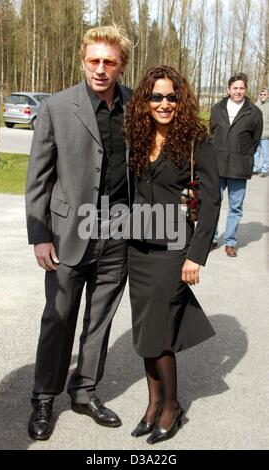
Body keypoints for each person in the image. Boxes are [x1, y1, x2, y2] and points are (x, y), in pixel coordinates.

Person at [25, 24, 132, 440]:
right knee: (58, 318)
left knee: (99, 321)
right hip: (68, 232)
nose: (100, 69)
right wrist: (39, 235)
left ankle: (84, 391)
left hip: (119, 232)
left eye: (109, 62)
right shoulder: (56, 106)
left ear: (121, 65)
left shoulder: (134, 104)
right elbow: (38, 178)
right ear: (83, 60)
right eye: (93, 61)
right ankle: (43, 398)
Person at [124, 66, 220, 445]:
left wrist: (196, 256)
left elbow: (211, 200)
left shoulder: (196, 140)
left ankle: (172, 406)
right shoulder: (136, 134)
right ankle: (152, 405)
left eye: (171, 97)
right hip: (137, 248)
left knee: (161, 332)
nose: (164, 104)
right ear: (145, 101)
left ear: (181, 101)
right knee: (146, 329)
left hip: (172, 248)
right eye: (156, 97)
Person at [210, 72, 263, 257]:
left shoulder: (254, 112)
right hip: (217, 165)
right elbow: (212, 132)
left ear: (245, 90)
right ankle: (212, 238)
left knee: (235, 207)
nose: (238, 91)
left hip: (239, 167)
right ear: (228, 89)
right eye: (235, 88)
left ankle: (230, 242)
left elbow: (256, 140)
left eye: (241, 88)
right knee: (213, 203)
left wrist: (245, 156)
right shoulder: (217, 108)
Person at [252, 87, 269, 177]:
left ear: (268, 95)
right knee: (256, 152)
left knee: (266, 153)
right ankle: (254, 169)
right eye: (261, 94)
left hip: (265, 134)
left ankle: (265, 169)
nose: (262, 96)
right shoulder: (256, 104)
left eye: (264, 94)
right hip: (256, 134)